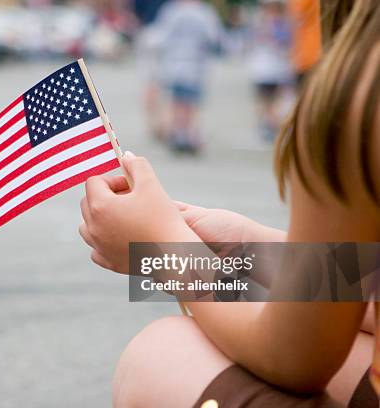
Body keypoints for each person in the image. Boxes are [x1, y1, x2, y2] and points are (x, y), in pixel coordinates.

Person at [78, 0, 379, 405]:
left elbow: (295, 357)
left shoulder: (362, 87)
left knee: (163, 355)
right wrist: (246, 247)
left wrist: (163, 250)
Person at [144, 0, 222, 153]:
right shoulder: (204, 12)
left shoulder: (172, 10)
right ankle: (188, 133)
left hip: (175, 65)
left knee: (177, 102)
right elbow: (213, 38)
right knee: (191, 104)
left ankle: (178, 134)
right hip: (196, 66)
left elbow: (161, 38)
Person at [248, 0, 294, 141]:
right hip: (262, 69)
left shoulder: (283, 24)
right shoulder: (259, 23)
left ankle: (273, 126)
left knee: (276, 100)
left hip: (277, 69)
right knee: (263, 100)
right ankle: (266, 125)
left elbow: (286, 43)